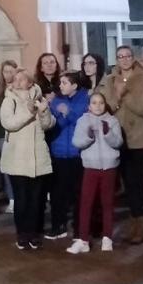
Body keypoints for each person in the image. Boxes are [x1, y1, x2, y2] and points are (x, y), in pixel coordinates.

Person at [97, 46, 143, 244]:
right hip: (116, 138)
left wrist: (123, 96)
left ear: (133, 58)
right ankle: (129, 222)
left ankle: (138, 225)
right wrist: (117, 96)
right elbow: (105, 107)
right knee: (123, 183)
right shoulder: (109, 79)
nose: (124, 60)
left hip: (138, 138)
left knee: (136, 183)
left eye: (127, 56)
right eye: (120, 57)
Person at [0, 70, 55, 251]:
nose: (17, 81)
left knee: (36, 199)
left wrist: (44, 111)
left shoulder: (39, 97)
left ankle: (34, 233)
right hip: (18, 157)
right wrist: (29, 112)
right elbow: (8, 123)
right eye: (15, 79)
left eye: (21, 79)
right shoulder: (9, 100)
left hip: (38, 156)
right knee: (22, 198)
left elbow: (48, 125)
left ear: (30, 82)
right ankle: (22, 234)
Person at [68, 93, 121, 254]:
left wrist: (107, 134)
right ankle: (83, 239)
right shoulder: (83, 121)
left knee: (107, 203)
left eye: (101, 103)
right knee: (86, 203)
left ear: (105, 105)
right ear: (89, 105)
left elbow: (118, 142)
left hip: (109, 167)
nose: (98, 106)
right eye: (94, 103)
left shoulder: (112, 121)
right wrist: (89, 136)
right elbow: (76, 141)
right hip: (90, 167)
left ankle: (107, 238)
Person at [46, 72, 89, 240]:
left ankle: (80, 228)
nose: (61, 85)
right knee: (57, 192)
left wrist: (67, 112)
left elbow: (82, 120)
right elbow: (57, 123)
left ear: (74, 85)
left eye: (64, 82)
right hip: (58, 152)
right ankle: (58, 225)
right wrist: (64, 113)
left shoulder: (84, 98)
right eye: (60, 82)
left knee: (78, 192)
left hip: (77, 153)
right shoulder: (56, 100)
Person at [0, 61, 18, 213]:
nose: (8, 74)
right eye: (5, 71)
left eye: (11, 71)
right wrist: (6, 118)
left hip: (19, 132)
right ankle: (12, 197)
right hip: (2, 133)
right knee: (7, 166)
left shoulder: (21, 87)